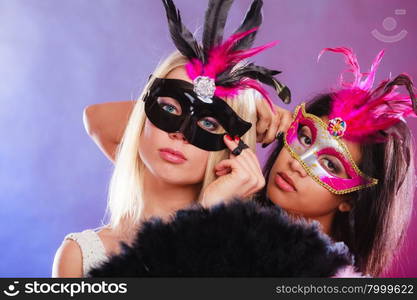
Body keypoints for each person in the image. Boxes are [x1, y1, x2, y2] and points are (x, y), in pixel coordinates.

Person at [87, 47, 416, 278]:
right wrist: (231, 109)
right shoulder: (240, 207)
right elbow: (100, 121)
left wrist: (207, 218)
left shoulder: (323, 275)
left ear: (351, 199)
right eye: (304, 138)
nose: (299, 165)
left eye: (330, 166)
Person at [52, 0, 292, 277]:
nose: (179, 134)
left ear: (232, 145)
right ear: (142, 117)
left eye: (208, 123)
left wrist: (209, 218)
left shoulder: (252, 254)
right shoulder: (80, 256)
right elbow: (96, 118)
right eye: (168, 109)